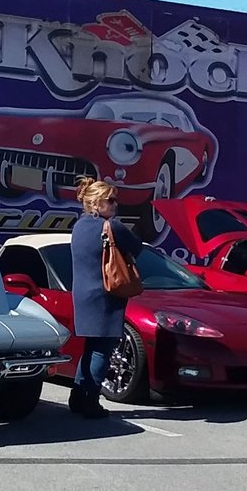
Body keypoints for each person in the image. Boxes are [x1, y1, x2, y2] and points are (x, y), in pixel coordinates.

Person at [68, 176, 143, 417]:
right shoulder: (112, 226)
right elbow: (137, 246)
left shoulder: (78, 227)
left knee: (91, 347)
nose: (115, 205)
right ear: (96, 203)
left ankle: (78, 396)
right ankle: (90, 401)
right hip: (106, 293)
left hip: (82, 294)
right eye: (110, 201)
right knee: (103, 349)